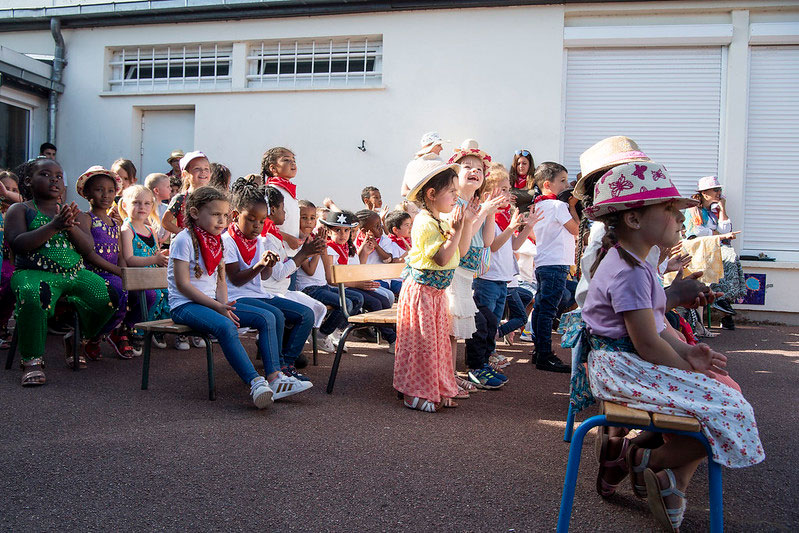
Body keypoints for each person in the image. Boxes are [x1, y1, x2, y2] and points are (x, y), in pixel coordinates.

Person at [581, 161, 763, 531]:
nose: (680, 218)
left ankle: (651, 467)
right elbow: (647, 342)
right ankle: (648, 462)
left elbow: (658, 331)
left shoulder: (641, 264)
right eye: (668, 209)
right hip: (621, 366)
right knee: (727, 411)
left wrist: (687, 353)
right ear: (633, 220)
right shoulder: (630, 271)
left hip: (627, 361)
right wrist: (688, 369)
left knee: (723, 400)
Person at [168, 186, 308, 408]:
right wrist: (218, 307)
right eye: (215, 215)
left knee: (268, 317)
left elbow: (221, 280)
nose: (221, 220)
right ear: (194, 213)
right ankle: (255, 383)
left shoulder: (217, 241)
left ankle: (276, 378)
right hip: (185, 305)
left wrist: (224, 304)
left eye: (224, 215)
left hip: (211, 304)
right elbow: (183, 286)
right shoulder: (184, 240)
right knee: (225, 326)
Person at [6, 157, 114, 386]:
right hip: (33, 273)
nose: (54, 180)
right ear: (28, 181)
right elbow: (18, 243)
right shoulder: (20, 209)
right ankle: (32, 361)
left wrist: (69, 225)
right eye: (45, 175)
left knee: (108, 294)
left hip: (74, 273)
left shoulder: (72, 213)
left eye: (58, 176)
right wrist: (54, 225)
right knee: (34, 294)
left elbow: (87, 248)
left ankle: (77, 338)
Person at [394, 157, 477, 412]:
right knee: (421, 345)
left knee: (437, 346)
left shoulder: (440, 219)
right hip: (421, 293)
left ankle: (437, 387)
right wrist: (454, 231)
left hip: (436, 294)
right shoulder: (424, 221)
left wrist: (464, 225)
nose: (455, 195)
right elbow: (441, 257)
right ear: (432, 194)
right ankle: (413, 392)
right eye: (451, 191)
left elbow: (460, 253)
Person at [223, 177, 316, 382]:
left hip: (259, 294)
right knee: (273, 316)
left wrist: (267, 264)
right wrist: (260, 265)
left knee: (306, 314)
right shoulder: (228, 241)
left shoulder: (257, 241)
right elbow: (236, 279)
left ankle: (286, 365)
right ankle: (275, 373)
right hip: (236, 296)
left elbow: (264, 276)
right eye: (252, 220)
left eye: (262, 221)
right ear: (236, 216)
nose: (257, 226)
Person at [444, 141, 506, 393]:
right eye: (466, 166)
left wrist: (489, 211)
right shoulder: (451, 202)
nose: (474, 171)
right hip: (453, 272)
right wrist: (482, 212)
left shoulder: (475, 204)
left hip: (467, 273)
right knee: (452, 328)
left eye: (479, 169)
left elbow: (488, 242)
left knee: (458, 328)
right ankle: (449, 376)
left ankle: (451, 375)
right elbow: (460, 244)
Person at [475, 164, 537, 368]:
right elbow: (493, 246)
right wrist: (511, 227)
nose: (509, 194)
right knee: (487, 321)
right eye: (503, 189)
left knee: (493, 321)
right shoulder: (487, 217)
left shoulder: (502, 216)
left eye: (509, 189)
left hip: (503, 279)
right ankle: (483, 357)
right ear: (487, 194)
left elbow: (514, 246)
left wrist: (527, 227)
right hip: (488, 279)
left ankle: (491, 352)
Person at [74, 166, 137, 359]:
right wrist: (119, 272)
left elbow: (119, 253)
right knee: (118, 289)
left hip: (115, 272)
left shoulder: (115, 223)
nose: (106, 195)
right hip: (93, 273)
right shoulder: (85, 218)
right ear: (86, 193)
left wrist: (125, 271)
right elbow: (89, 253)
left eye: (110, 190)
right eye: (99, 189)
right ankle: (93, 337)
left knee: (144, 294)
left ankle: (113, 333)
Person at [260, 194, 328, 359]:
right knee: (305, 314)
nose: (287, 214)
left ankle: (287, 348)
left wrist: (312, 250)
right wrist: (305, 253)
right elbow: (280, 274)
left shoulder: (276, 237)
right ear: (272, 210)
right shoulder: (266, 240)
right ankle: (287, 359)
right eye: (284, 209)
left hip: (281, 290)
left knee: (318, 307)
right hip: (269, 292)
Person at [529, 162, 578, 372]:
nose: (567, 184)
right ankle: (545, 355)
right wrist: (574, 206)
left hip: (542, 262)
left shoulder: (538, 205)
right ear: (548, 184)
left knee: (541, 308)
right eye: (563, 180)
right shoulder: (558, 206)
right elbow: (575, 229)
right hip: (556, 263)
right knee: (548, 311)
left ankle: (539, 351)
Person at [296, 210, 368, 350]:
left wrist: (320, 246)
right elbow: (310, 270)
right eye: (304, 218)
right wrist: (319, 248)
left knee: (358, 298)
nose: (309, 222)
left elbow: (327, 276)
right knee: (345, 303)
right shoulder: (300, 242)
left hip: (322, 286)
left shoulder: (318, 240)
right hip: (309, 288)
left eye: (312, 218)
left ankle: (335, 330)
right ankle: (322, 334)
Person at [684, 176, 744, 330]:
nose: (719, 192)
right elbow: (695, 231)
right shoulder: (694, 209)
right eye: (716, 190)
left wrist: (723, 208)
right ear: (705, 193)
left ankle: (723, 300)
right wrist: (715, 233)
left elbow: (726, 230)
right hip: (697, 250)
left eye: (720, 190)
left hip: (712, 248)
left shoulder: (712, 212)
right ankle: (721, 304)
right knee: (726, 257)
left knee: (731, 257)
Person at [119, 185, 171, 349]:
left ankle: (156, 328)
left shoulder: (151, 230)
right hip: (137, 278)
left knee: (170, 293)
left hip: (152, 275)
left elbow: (154, 253)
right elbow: (129, 259)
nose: (142, 207)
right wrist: (154, 258)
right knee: (152, 294)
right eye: (136, 202)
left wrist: (161, 256)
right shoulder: (127, 229)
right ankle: (135, 328)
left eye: (147, 203)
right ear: (125, 205)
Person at [260, 147, 304, 252]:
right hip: (275, 251)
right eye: (286, 160)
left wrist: (302, 235)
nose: (292, 163)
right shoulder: (271, 191)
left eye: (294, 160)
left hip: (291, 253)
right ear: (273, 168)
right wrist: (287, 238)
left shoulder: (289, 192)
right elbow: (263, 223)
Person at [161, 151, 212, 235]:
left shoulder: (213, 198)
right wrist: (185, 234)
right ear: (185, 174)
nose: (203, 171)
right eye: (197, 168)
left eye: (206, 168)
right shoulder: (181, 199)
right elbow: (166, 222)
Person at [0, 170, 21, 348]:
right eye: (6, 188)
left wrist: (8, 195)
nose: (9, 192)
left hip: (9, 261)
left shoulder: (18, 212)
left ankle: (2, 324)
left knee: (9, 280)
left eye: (14, 189)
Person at [143, 172, 172, 246]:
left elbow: (169, 224)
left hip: (161, 243)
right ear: (156, 190)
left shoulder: (167, 207)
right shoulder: (146, 207)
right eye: (168, 187)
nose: (170, 189)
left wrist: (164, 238)